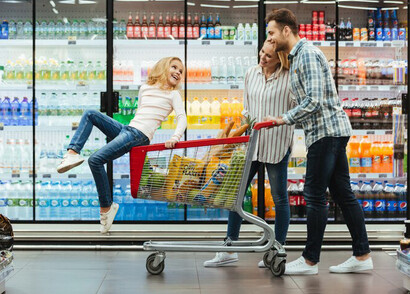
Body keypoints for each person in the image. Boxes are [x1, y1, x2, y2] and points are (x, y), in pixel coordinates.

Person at [264, 8, 373, 275]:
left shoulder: (307, 55)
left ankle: (310, 260)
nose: (269, 37)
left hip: (326, 133)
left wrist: (282, 119)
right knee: (343, 195)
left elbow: (314, 101)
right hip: (327, 132)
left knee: (314, 195)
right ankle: (362, 255)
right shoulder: (296, 58)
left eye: (271, 32)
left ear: (286, 30)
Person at [57, 57, 187, 234]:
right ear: (163, 67)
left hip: (139, 135)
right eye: (174, 67)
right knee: (90, 114)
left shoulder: (173, 94)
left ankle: (106, 207)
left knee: (95, 160)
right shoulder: (145, 88)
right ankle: (72, 153)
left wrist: (175, 137)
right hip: (128, 129)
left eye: (181, 71)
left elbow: (182, 118)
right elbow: (141, 112)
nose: (178, 72)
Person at [204, 40, 295, 268]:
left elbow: (296, 109)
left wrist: (279, 120)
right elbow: (246, 108)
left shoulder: (290, 76)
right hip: (252, 144)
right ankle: (230, 247)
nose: (263, 58)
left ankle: (278, 248)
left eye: (269, 56)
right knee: (236, 194)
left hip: (277, 142)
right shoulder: (251, 73)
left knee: (279, 197)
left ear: (280, 59)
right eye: (262, 53)